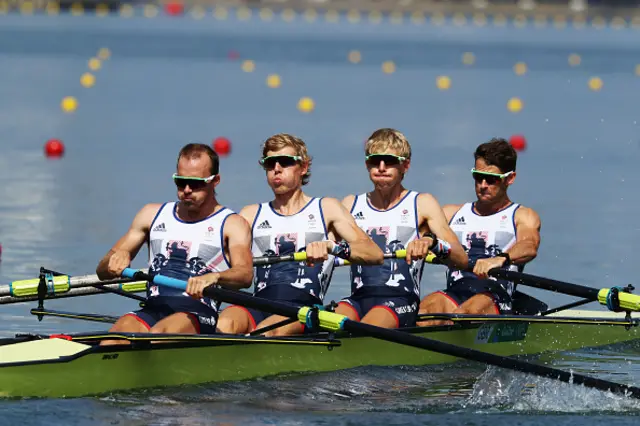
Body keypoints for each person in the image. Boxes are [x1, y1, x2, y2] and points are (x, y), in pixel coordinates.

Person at [216, 133, 384, 336]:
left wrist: (332, 247)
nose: (276, 169)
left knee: (266, 332)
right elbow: (223, 265)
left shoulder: (327, 209)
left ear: (303, 167)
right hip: (257, 303)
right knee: (224, 323)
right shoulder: (250, 214)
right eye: (270, 163)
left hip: (303, 308)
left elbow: (374, 253)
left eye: (285, 162)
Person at [96, 143, 253, 344]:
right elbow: (101, 272)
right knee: (111, 341)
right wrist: (116, 258)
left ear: (215, 181)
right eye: (180, 182)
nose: (186, 190)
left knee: (158, 337)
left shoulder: (232, 224)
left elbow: (245, 274)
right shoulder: (151, 215)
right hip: (153, 308)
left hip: (197, 313)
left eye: (195, 183)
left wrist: (214, 277)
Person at [333, 128, 468, 329]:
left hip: (401, 300)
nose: (381, 167)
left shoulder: (422, 203)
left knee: (365, 328)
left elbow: (461, 259)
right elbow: (326, 250)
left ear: (405, 165)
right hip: (358, 299)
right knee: (328, 324)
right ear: (366, 165)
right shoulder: (350, 204)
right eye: (374, 161)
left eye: (389, 161)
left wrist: (431, 243)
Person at [417, 138, 541, 324]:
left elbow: (529, 246)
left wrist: (500, 259)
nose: (483, 185)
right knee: (426, 311)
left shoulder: (522, 216)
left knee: (467, 313)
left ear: (510, 178)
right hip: (456, 291)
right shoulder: (451, 213)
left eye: (491, 179)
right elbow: (419, 228)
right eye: (478, 177)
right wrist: (425, 240)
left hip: (495, 295)